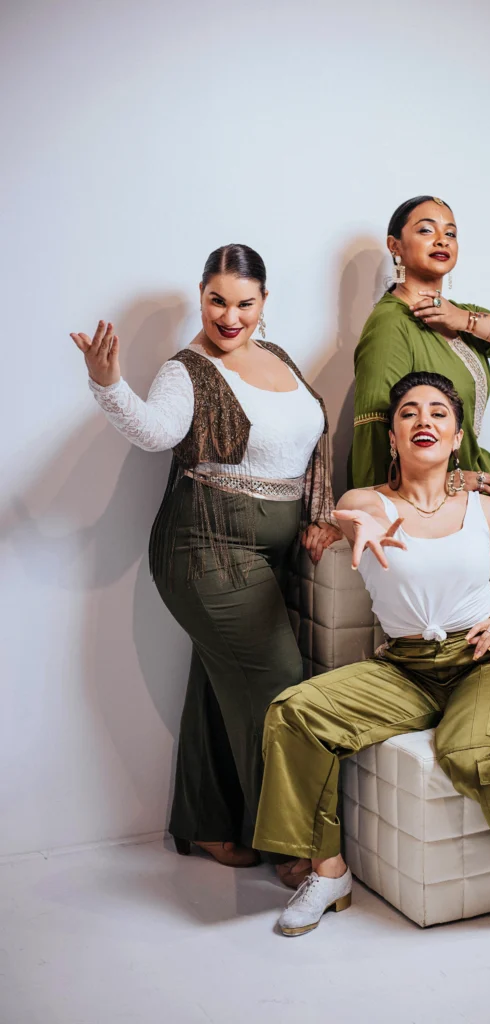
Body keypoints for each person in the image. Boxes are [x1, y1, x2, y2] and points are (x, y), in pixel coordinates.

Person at [253, 372, 490, 936]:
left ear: (455, 436)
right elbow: (352, 517)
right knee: (294, 711)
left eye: (438, 413)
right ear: (393, 438)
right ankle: (328, 871)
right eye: (409, 413)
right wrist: (361, 524)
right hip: (405, 666)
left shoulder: (485, 512)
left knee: (475, 754)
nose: (424, 420)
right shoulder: (366, 502)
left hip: (481, 658)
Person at [71, 244, 340, 884]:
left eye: (244, 303)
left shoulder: (277, 358)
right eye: (217, 300)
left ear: (264, 302)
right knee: (276, 679)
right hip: (205, 548)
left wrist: (321, 513)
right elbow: (157, 431)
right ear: (201, 295)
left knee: (223, 683)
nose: (229, 316)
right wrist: (108, 385)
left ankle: (213, 824)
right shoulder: (185, 370)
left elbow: (313, 441)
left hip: (271, 553)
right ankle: (294, 845)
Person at [351, 195, 490, 663]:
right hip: (432, 476)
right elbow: (375, 424)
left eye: (451, 232)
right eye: (426, 229)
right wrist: (403, 493)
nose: (441, 240)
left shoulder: (453, 315)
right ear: (396, 246)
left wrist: (464, 319)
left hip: (475, 459)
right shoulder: (391, 325)